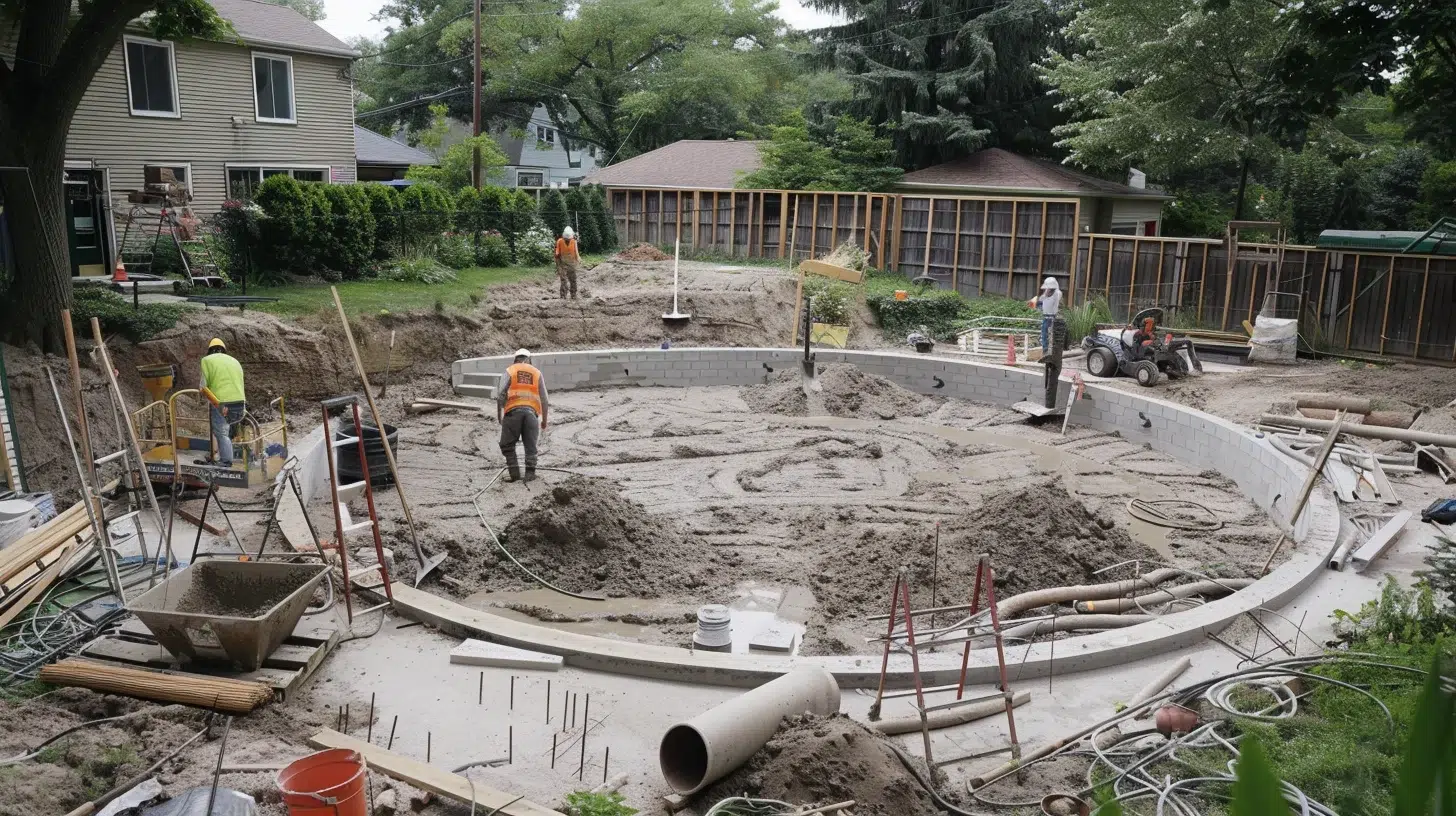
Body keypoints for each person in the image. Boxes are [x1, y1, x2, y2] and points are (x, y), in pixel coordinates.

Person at [497, 348, 549, 482]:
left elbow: (500, 395)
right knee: (530, 446)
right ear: (529, 359)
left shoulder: (510, 370)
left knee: (507, 445)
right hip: (531, 414)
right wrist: (544, 421)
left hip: (513, 413)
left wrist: (500, 415)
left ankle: (514, 474)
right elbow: (545, 399)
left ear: (515, 359)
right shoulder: (537, 373)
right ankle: (530, 474)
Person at [197, 337, 246, 468]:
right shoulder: (235, 361)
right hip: (240, 402)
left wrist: (203, 395)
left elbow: (203, 386)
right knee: (228, 431)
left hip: (221, 402)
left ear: (209, 351)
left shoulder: (207, 360)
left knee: (221, 432)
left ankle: (226, 461)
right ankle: (217, 456)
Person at [1027, 277, 1062, 352]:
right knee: (1044, 333)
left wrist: (1047, 294)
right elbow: (1040, 300)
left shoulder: (1057, 293)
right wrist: (1033, 302)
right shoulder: (1046, 294)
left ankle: (1050, 349)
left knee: (1050, 333)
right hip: (1046, 316)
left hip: (1052, 316)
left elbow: (1054, 298)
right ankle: (1045, 349)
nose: (1047, 289)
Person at [555, 226, 580, 300]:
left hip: (571, 263)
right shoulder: (559, 241)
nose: (567, 240)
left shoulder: (574, 241)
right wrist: (558, 265)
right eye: (566, 239)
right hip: (561, 263)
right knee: (563, 280)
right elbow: (557, 254)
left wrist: (578, 260)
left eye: (568, 239)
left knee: (573, 279)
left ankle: (573, 294)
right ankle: (563, 295)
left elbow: (576, 253)